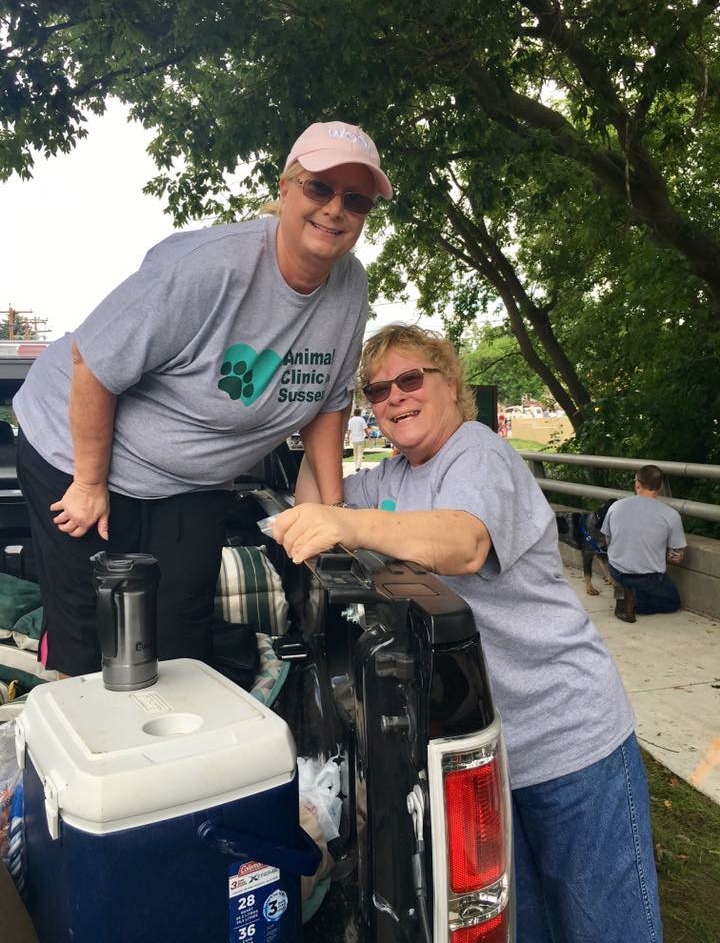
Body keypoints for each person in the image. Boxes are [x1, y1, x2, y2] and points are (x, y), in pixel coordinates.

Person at [274, 324, 663, 943]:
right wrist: (323, 415)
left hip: (569, 737)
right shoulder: (392, 478)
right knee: (522, 926)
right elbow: (313, 504)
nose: (394, 398)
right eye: (376, 391)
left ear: (451, 384)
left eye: (409, 379)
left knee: (604, 927)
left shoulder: (477, 453)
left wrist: (346, 520)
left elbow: (462, 541)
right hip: (492, 753)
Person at [13, 120, 392, 677]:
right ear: (285, 188)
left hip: (191, 481)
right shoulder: (208, 265)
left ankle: (175, 752)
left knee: (180, 639)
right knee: (89, 634)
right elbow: (91, 363)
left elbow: (329, 403)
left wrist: (329, 514)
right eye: (319, 188)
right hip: (73, 452)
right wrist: (90, 483)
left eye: (355, 199)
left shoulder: (350, 288)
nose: (335, 208)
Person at [601, 465, 686, 622]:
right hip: (648, 577)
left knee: (623, 580)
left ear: (637, 483)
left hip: (616, 569)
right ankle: (636, 602)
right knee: (672, 603)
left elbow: (607, 539)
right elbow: (676, 556)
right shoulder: (671, 515)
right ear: (660, 486)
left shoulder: (616, 506)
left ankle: (622, 595)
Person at [346, 407, 369, 471]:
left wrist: (348, 437)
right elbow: (365, 429)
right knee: (360, 453)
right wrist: (369, 436)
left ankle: (356, 466)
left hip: (354, 439)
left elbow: (349, 430)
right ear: (360, 413)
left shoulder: (351, 420)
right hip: (361, 438)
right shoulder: (362, 420)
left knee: (355, 453)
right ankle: (358, 466)